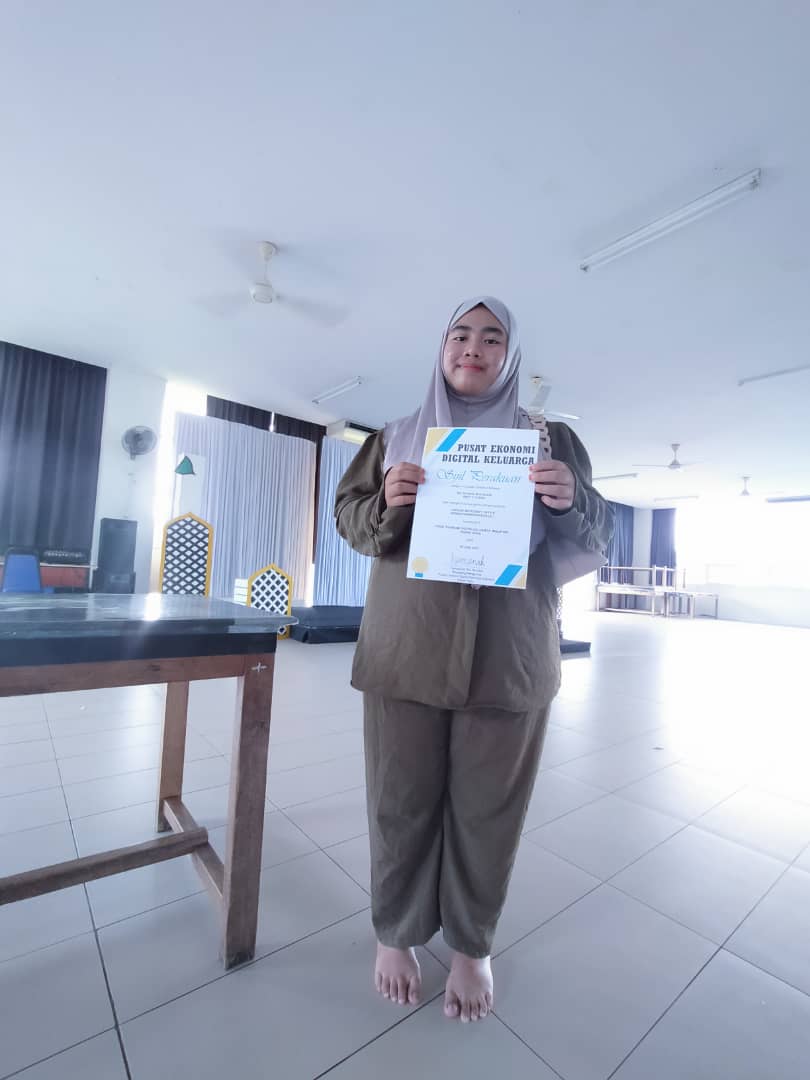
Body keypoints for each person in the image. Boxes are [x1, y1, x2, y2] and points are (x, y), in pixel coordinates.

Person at [334, 297, 613, 1023]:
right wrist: (387, 502)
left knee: (489, 811)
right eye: (461, 334)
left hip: (508, 656)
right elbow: (349, 519)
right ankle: (396, 931)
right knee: (399, 801)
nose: (474, 348)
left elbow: (599, 528)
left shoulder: (550, 438)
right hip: (407, 650)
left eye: (492, 338)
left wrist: (568, 500)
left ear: (510, 355)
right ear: (442, 347)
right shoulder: (396, 437)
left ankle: (471, 944)